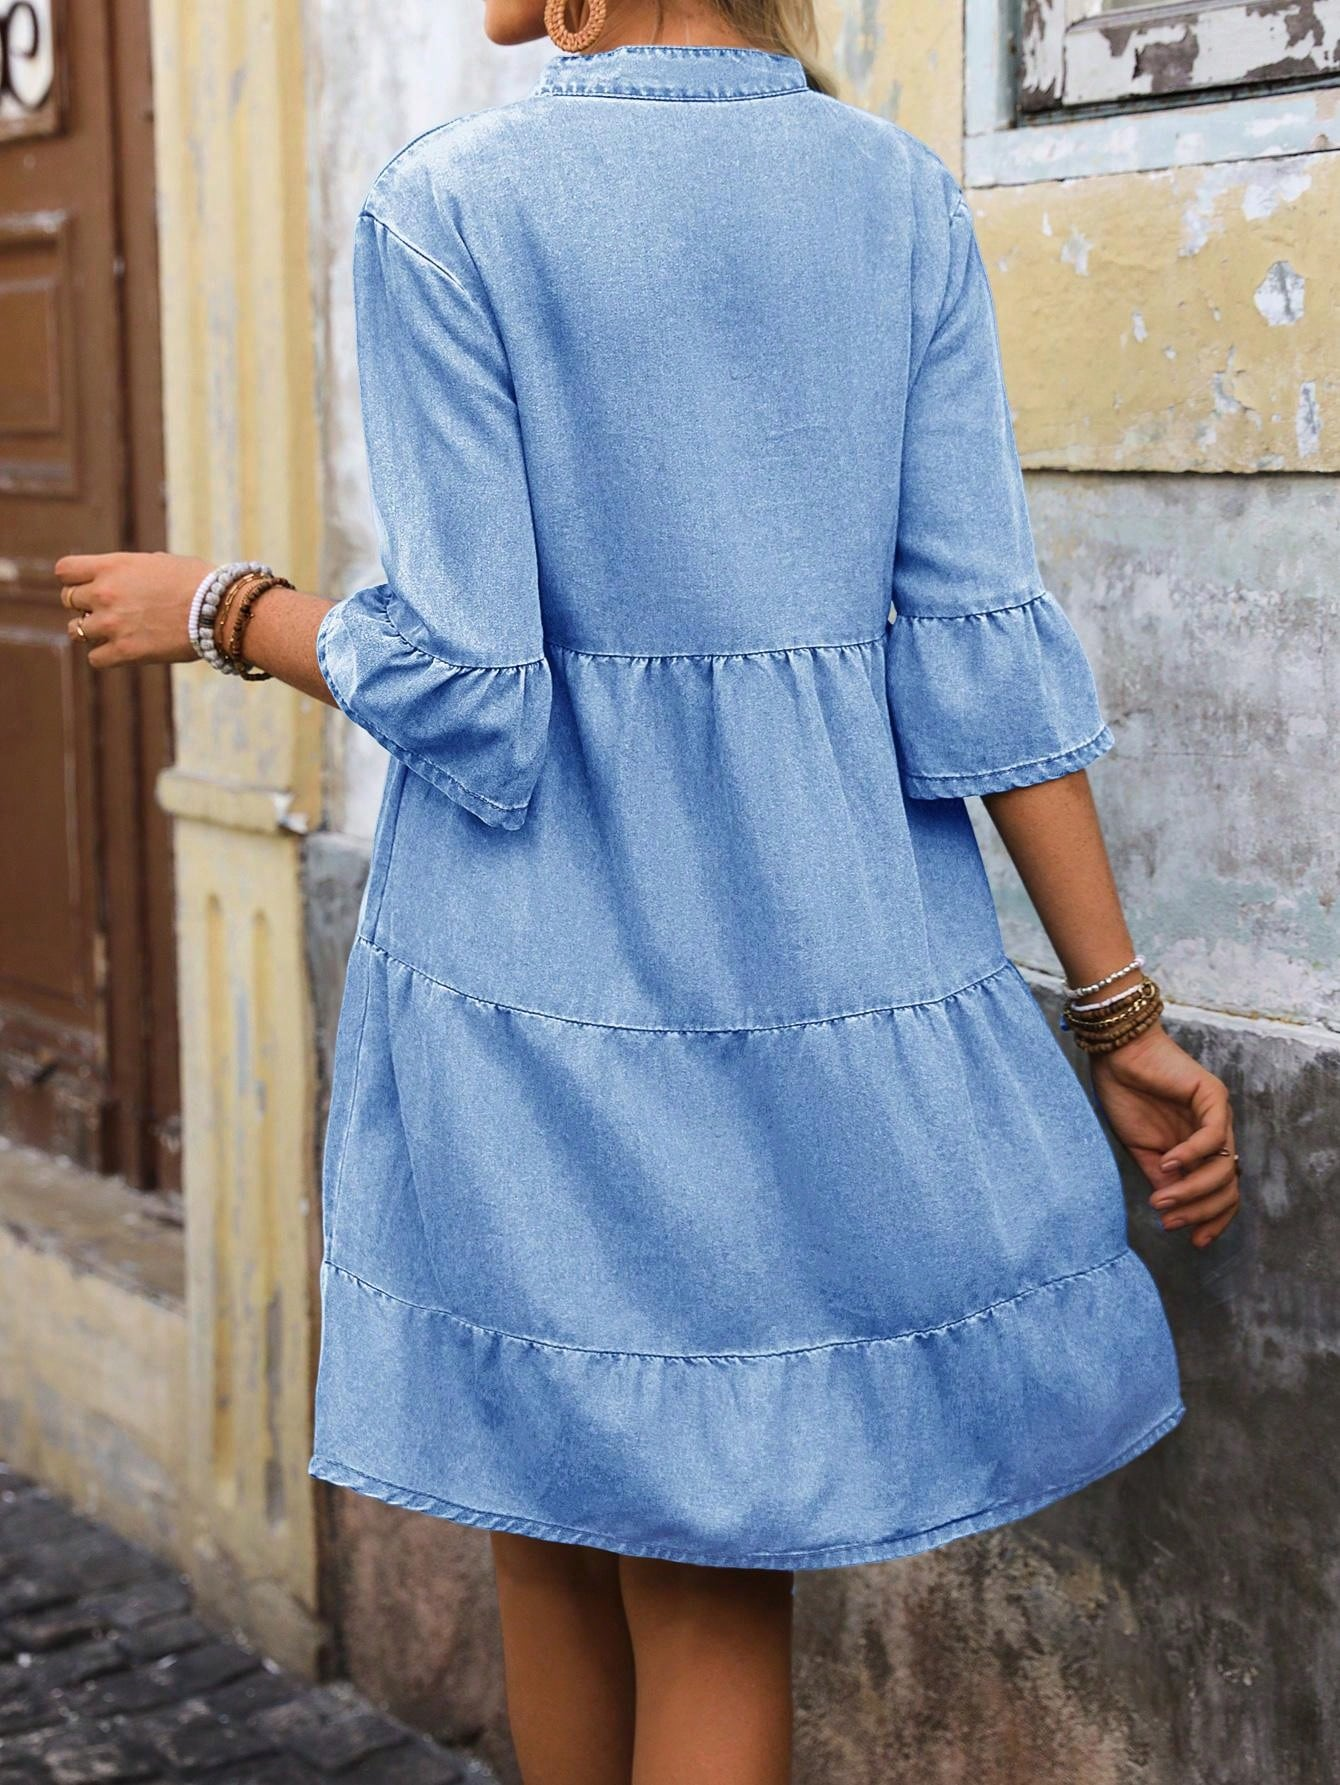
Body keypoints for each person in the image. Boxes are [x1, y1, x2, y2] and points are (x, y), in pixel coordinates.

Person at [56, 3, 1241, 1780]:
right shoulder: (895, 198)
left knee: (560, 1517)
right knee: (692, 1571)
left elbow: (474, 687)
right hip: (806, 972)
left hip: (528, 988)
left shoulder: (451, 206)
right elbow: (979, 646)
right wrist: (1118, 1011)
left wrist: (228, 610)